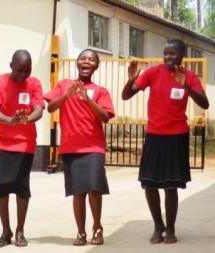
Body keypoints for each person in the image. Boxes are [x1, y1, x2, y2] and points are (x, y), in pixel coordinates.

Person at [122, 39, 209, 244]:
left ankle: (170, 229)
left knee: (171, 186)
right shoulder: (153, 73)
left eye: (172, 54)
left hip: (177, 136)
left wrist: (185, 86)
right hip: (154, 135)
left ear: (181, 56)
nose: (168, 57)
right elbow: (126, 96)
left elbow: (204, 103)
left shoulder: (190, 76)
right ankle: (157, 225)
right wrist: (131, 79)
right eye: (165, 53)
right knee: (149, 184)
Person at [44, 49, 115, 246]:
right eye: (83, 58)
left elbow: (106, 117)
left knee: (94, 189)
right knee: (78, 192)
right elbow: (50, 108)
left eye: (91, 59)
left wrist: (88, 99)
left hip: (93, 147)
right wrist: (66, 96)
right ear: (77, 63)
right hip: (71, 147)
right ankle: (81, 232)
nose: (86, 61)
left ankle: (97, 228)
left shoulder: (100, 90)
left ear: (96, 66)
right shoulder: (64, 84)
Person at [0, 50, 44, 247]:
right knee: (1, 188)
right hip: (1, 141)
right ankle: (5, 230)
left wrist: (28, 119)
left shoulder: (34, 83)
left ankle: (20, 230)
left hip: (24, 143)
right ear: (11, 65)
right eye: (19, 70)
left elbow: (38, 109)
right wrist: (10, 120)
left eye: (27, 71)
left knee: (21, 186)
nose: (23, 75)